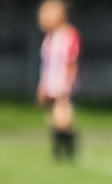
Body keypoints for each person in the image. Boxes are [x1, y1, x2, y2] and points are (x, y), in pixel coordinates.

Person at [37, 0, 81, 161]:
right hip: (51, 81)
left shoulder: (68, 35)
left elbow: (71, 61)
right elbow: (46, 64)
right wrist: (42, 84)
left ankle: (67, 148)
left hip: (62, 82)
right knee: (53, 116)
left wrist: (67, 84)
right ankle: (60, 146)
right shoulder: (49, 38)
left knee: (62, 115)